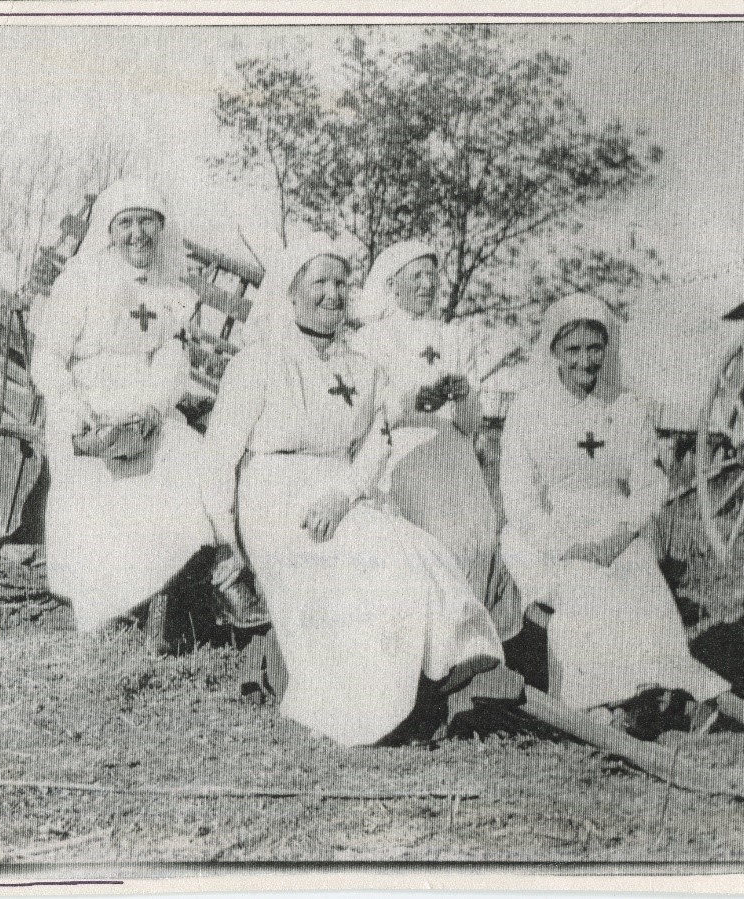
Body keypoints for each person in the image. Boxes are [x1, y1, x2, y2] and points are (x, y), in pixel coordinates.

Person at [203, 236, 505, 747]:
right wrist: (228, 542)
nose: (332, 293)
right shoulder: (259, 362)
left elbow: (376, 441)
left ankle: (426, 680)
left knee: (411, 546)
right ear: (292, 293)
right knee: (365, 557)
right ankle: (364, 706)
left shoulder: (363, 368)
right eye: (319, 281)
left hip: (340, 492)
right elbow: (219, 457)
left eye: (341, 281)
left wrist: (344, 495)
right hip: (275, 498)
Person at [497, 293, 728, 729]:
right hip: (553, 524)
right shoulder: (529, 411)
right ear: (555, 354)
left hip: (615, 521)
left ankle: (659, 687)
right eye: (573, 350)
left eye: (594, 348)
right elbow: (519, 498)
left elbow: (650, 481)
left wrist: (624, 532)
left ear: (609, 350)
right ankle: (598, 702)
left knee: (637, 571)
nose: (585, 361)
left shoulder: (625, 406)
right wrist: (568, 544)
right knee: (583, 582)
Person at [29, 179, 221, 633]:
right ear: (110, 232)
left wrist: (153, 409)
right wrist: (75, 409)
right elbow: (48, 356)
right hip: (87, 411)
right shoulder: (81, 282)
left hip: (147, 411)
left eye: (148, 223)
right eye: (127, 224)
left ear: (162, 229)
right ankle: (102, 604)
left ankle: (171, 594)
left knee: (189, 458)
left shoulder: (168, 291)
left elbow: (172, 360)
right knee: (98, 489)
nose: (138, 234)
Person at [349, 241, 520, 639]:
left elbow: (470, 424)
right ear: (392, 285)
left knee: (476, 532)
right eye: (417, 277)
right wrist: (414, 401)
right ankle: (430, 633)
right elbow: (366, 415)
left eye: (431, 276)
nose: (427, 284)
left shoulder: (452, 338)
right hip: (398, 449)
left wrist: (464, 396)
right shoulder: (370, 341)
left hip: (451, 450)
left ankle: (472, 634)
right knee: (431, 534)